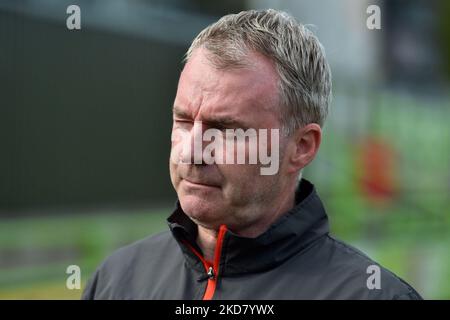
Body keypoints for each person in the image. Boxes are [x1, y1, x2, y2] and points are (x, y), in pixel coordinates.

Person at [82, 9, 422, 300]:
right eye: (184, 121)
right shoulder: (117, 280)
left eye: (226, 129)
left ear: (301, 147)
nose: (193, 151)